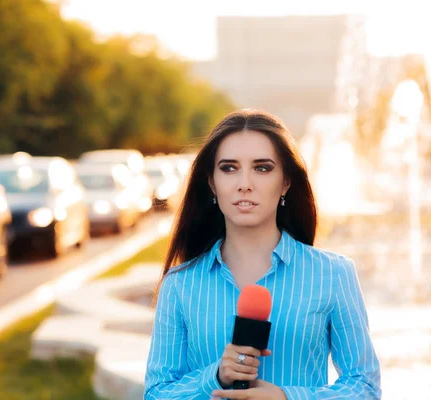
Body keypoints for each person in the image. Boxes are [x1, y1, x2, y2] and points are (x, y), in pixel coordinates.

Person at [144, 109, 381, 399]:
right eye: (229, 168)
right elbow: (156, 393)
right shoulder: (180, 285)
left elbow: (364, 386)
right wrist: (215, 376)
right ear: (211, 183)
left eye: (262, 168)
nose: (245, 183)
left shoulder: (333, 274)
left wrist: (287, 397)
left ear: (286, 182)